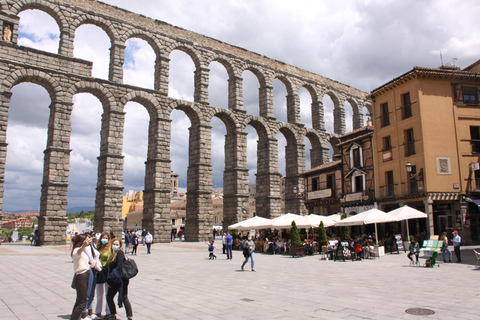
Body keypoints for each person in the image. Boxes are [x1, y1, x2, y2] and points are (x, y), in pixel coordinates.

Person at [106, 239, 133, 320]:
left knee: (124, 297)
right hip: (114, 279)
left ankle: (129, 316)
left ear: (120, 245)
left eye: (117, 244)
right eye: (114, 244)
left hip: (120, 280)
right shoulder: (112, 254)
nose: (115, 245)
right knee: (109, 297)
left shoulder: (120, 252)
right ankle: (113, 314)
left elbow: (119, 266)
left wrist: (111, 278)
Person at [70, 233, 93, 320]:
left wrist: (90, 266)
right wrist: (83, 246)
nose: (88, 241)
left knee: (79, 301)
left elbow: (80, 263)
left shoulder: (81, 251)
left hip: (84, 274)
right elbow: (78, 252)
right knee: (82, 303)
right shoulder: (77, 250)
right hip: (81, 277)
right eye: (86, 239)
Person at [82, 232, 102, 320]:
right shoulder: (86, 247)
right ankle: (83, 314)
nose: (90, 238)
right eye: (88, 237)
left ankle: (90, 312)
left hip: (95, 270)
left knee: (92, 292)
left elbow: (97, 257)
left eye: (90, 237)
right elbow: (91, 259)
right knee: (88, 292)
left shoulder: (92, 245)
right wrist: (100, 269)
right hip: (90, 269)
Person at [93, 232, 112, 320]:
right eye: (103, 238)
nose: (104, 239)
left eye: (106, 238)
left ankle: (108, 312)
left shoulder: (110, 248)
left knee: (108, 293)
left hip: (107, 271)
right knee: (99, 293)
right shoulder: (98, 247)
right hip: (99, 271)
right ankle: (98, 311)